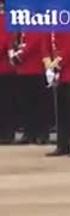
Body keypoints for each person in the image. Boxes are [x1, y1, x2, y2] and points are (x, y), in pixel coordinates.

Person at [43, 32, 70, 157]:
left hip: (69, 71)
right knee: (60, 111)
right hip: (57, 73)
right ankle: (63, 144)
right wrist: (48, 64)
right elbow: (45, 44)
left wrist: (56, 65)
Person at [0, 0, 16, 144]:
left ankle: (7, 133)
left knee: (5, 103)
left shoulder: (4, 19)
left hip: (4, 67)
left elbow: (4, 42)